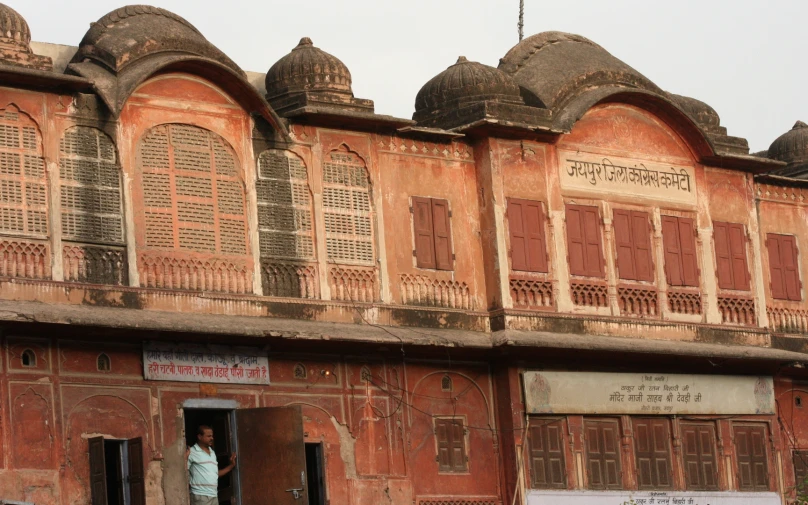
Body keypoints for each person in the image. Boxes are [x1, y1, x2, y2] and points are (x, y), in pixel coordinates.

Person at [185, 425, 237, 505]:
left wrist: (231, 466)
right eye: (208, 436)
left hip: (213, 495)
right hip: (200, 496)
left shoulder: (212, 453)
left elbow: (215, 474)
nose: (212, 438)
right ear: (199, 437)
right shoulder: (192, 452)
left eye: (212, 436)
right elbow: (184, 471)